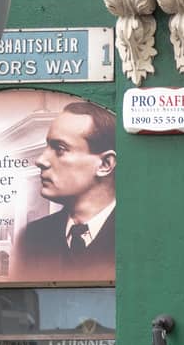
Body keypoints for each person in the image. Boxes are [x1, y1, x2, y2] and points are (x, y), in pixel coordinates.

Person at [16, 101, 117, 282]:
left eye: (60, 149)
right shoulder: (33, 236)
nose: (40, 160)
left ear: (105, 164)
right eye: (47, 147)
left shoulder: (136, 235)